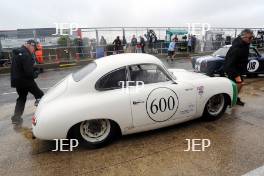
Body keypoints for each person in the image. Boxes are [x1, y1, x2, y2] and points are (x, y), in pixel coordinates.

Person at [11, 40, 44, 124]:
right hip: (26, 80)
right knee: (41, 96)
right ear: (30, 45)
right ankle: (44, 116)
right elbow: (28, 72)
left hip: (17, 80)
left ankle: (16, 118)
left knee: (21, 98)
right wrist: (36, 73)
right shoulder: (25, 54)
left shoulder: (18, 52)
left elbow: (20, 67)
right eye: (34, 48)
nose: (34, 50)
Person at [223, 29, 254, 106]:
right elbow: (229, 63)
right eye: (250, 38)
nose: (252, 39)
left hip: (238, 69)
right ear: (243, 37)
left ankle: (233, 99)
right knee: (238, 84)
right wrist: (236, 75)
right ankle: (231, 100)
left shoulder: (245, 43)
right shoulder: (237, 48)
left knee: (238, 84)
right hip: (232, 69)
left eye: (252, 37)